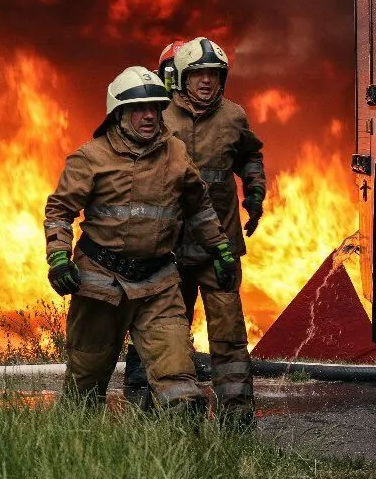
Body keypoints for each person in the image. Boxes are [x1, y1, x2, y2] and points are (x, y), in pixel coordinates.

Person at [43, 65, 240, 414]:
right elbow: (60, 211)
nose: (149, 115)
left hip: (158, 285)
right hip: (100, 285)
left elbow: (200, 208)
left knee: (182, 391)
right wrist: (58, 258)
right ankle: (73, 457)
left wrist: (220, 248)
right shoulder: (89, 158)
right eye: (138, 108)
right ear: (118, 113)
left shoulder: (177, 154)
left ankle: (179, 465)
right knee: (84, 389)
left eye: (155, 107)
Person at [123, 37, 267, 427]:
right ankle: (165, 411)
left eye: (214, 74)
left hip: (218, 247)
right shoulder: (158, 115)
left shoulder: (234, 116)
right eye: (198, 74)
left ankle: (236, 415)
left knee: (229, 332)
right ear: (180, 78)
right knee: (167, 331)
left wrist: (255, 190)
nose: (206, 81)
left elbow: (250, 154)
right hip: (167, 249)